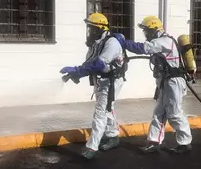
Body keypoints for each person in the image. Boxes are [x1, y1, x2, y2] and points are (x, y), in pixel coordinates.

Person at [116, 15, 192, 154]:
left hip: (174, 82)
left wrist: (124, 43)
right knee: (159, 113)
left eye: (147, 31)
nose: (145, 34)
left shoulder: (164, 41)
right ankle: (154, 142)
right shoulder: (161, 41)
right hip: (166, 82)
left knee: (174, 113)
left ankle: (185, 143)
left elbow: (143, 48)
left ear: (154, 29)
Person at [60, 13, 127, 160]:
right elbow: (89, 63)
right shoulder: (96, 43)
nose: (89, 31)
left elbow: (99, 64)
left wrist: (78, 71)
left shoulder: (112, 43)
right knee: (108, 108)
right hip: (101, 80)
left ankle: (92, 146)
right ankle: (113, 136)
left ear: (100, 28)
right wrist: (75, 74)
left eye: (92, 28)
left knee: (100, 112)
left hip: (111, 81)